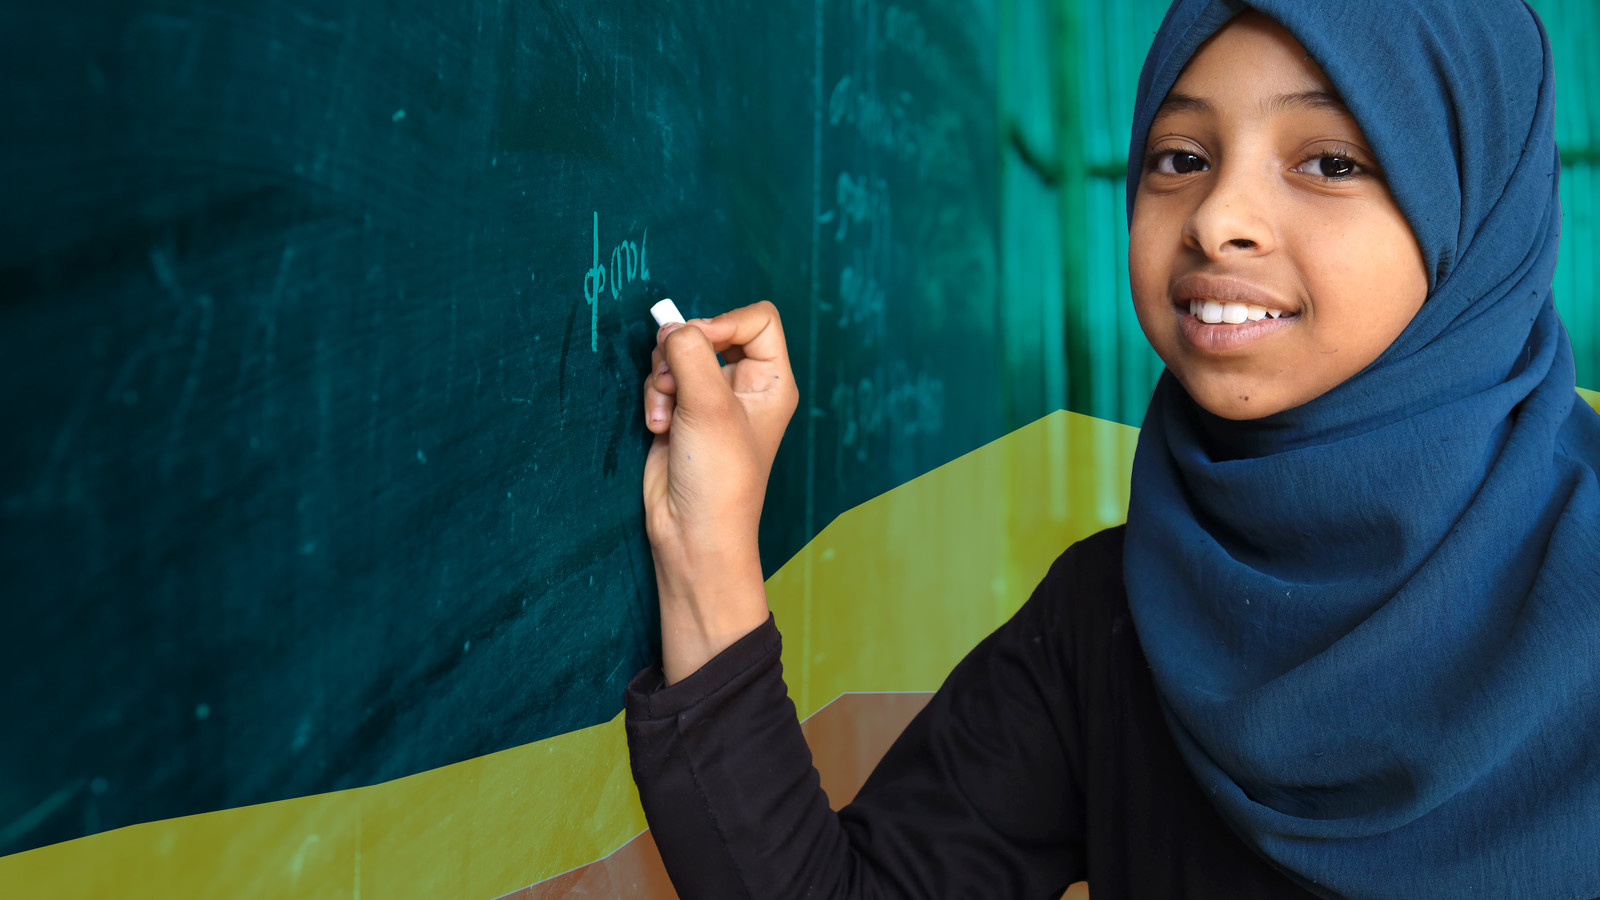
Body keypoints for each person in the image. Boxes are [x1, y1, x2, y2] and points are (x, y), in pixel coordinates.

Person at [627, 0, 1600, 896]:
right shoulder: (1110, 620)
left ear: (1476, 218)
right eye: (1179, 157)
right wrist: (704, 543)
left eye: (1331, 162)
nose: (1218, 220)